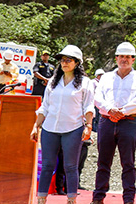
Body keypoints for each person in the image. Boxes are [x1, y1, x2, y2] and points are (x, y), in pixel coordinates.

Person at [30, 45, 94, 204]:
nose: (64, 63)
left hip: (73, 128)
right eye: (62, 60)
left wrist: (89, 126)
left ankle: (71, 199)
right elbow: (44, 107)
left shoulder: (85, 83)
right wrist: (35, 126)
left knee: (71, 166)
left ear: (77, 63)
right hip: (49, 128)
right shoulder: (53, 81)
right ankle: (41, 199)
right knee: (47, 165)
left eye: (68, 60)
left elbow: (88, 106)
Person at [92, 42, 136, 204]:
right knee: (103, 161)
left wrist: (121, 112)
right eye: (121, 56)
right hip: (106, 121)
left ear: (133, 60)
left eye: (128, 57)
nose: (124, 59)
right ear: (116, 58)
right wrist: (110, 110)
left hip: (129, 122)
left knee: (128, 162)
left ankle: (129, 199)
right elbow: (97, 97)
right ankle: (98, 197)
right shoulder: (107, 77)